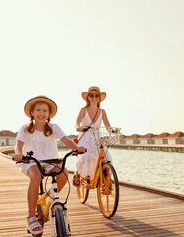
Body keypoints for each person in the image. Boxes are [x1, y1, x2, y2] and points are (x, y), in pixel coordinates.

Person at [14, 95, 85, 235]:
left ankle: (51, 197)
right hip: (32, 161)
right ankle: (30, 216)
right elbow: (19, 144)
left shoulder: (53, 127)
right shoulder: (25, 128)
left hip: (50, 161)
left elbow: (66, 140)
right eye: (38, 110)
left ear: (49, 114)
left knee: (64, 172)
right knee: (36, 177)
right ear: (32, 113)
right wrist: (18, 153)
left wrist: (77, 147)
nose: (42, 113)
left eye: (45, 110)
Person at [73, 86, 112, 186]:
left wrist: (114, 131)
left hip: (97, 138)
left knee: (106, 156)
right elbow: (76, 123)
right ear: (88, 97)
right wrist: (78, 128)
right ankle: (79, 174)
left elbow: (108, 126)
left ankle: (106, 180)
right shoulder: (83, 110)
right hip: (85, 137)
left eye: (96, 96)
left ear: (99, 98)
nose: (94, 97)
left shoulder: (102, 111)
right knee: (86, 156)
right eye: (91, 95)